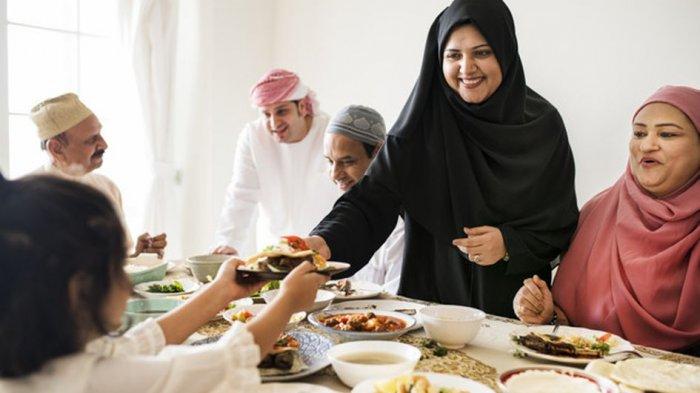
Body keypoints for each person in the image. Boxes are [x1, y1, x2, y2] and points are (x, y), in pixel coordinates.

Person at [306, 0, 578, 318]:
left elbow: (559, 222)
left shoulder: (542, 126)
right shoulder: (419, 127)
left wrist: (508, 245)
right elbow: (370, 203)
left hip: (514, 307)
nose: (466, 67)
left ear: (505, 51)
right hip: (431, 304)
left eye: (482, 52)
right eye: (453, 55)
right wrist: (325, 243)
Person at [0, 173, 328, 391]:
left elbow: (136, 343)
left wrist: (222, 290)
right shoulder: (96, 382)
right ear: (78, 289)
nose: (129, 287)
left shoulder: (48, 364)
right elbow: (227, 360)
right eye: (118, 268)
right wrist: (288, 301)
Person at [513, 85, 700, 354]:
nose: (647, 145)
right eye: (639, 133)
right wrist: (544, 314)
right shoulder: (598, 213)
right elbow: (571, 324)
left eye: (667, 134)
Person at [213, 69, 340, 256]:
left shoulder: (331, 133)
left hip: (327, 250)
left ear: (303, 107)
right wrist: (228, 241)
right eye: (266, 114)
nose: (274, 124)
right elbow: (241, 194)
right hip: (273, 252)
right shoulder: (253, 136)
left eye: (282, 111)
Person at [29, 93, 166, 257]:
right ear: (56, 149)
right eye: (91, 139)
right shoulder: (27, 199)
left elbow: (115, 261)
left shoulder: (107, 186)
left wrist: (138, 255)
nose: (104, 144)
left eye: (100, 134)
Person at [323, 105, 405, 293]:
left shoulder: (401, 226)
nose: (335, 174)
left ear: (378, 154)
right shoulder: (339, 212)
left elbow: (399, 301)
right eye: (330, 161)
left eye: (348, 161)